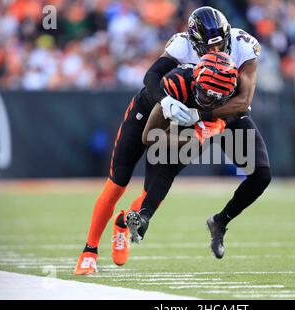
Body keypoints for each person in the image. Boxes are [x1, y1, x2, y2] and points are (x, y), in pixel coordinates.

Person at [74, 6, 270, 275]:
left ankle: (126, 221)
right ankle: (89, 251)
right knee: (119, 180)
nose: (216, 53)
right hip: (162, 107)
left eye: (220, 46)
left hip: (209, 112)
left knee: (157, 186)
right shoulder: (179, 63)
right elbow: (151, 83)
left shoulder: (243, 46)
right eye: (208, 49)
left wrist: (203, 119)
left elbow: (243, 102)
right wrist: (166, 102)